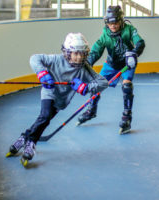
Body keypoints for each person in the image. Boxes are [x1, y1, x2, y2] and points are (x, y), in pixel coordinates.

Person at [6, 33, 109, 166]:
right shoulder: (56, 60)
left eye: (82, 54)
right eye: (75, 53)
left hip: (62, 100)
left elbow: (103, 83)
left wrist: (86, 87)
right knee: (45, 116)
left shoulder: (84, 69)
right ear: (67, 52)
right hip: (49, 92)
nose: (79, 57)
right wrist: (42, 73)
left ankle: (23, 137)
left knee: (44, 120)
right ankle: (31, 142)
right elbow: (35, 58)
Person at [77, 5, 145, 134]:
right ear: (106, 22)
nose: (113, 25)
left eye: (116, 22)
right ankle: (91, 110)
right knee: (96, 85)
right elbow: (96, 51)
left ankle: (127, 116)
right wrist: (87, 64)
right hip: (111, 64)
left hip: (127, 63)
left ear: (121, 20)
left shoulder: (129, 29)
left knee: (127, 85)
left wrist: (134, 53)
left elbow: (140, 42)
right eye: (109, 22)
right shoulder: (105, 34)